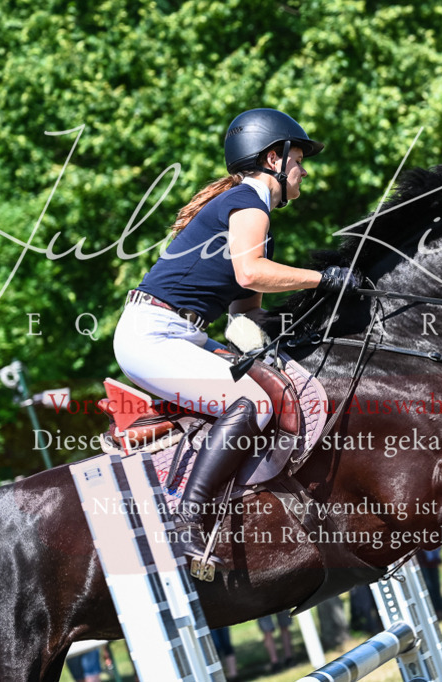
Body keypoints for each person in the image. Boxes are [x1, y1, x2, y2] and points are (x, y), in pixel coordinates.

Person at [113, 108, 360, 570]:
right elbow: (252, 273)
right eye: (298, 160)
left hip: (178, 333)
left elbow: (245, 315)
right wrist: (324, 279)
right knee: (252, 403)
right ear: (274, 158)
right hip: (153, 334)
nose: (303, 170)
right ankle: (188, 522)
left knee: (269, 385)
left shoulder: (254, 219)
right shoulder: (248, 203)